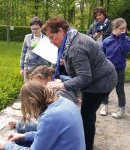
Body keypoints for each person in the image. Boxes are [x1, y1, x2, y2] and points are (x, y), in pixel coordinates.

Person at [42, 16, 117, 150]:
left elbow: (84, 78)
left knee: (86, 116)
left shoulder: (75, 47)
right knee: (89, 113)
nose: (51, 41)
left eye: (51, 37)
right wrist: (66, 63)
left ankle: (87, 146)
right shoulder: (72, 38)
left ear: (61, 31)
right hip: (100, 75)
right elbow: (80, 62)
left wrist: (61, 85)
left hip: (101, 82)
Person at [0, 81, 86, 150]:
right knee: (20, 141)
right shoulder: (65, 101)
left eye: (30, 108)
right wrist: (24, 136)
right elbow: (47, 134)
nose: (32, 112)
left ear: (32, 100)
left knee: (13, 145)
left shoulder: (50, 116)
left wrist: (6, 146)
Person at [9, 65, 79, 133]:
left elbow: (44, 126)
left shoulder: (60, 95)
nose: (35, 87)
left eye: (36, 83)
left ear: (48, 78)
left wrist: (18, 124)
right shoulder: (57, 89)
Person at [99, 18, 130, 118]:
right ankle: (104, 106)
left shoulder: (126, 39)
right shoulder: (107, 40)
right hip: (108, 69)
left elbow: (125, 49)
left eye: (125, 28)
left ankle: (121, 110)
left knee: (120, 89)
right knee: (106, 87)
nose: (123, 31)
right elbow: (102, 55)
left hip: (120, 68)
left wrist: (122, 36)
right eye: (121, 28)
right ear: (115, 28)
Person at [20, 16, 50, 81]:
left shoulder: (47, 39)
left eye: (37, 29)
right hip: (28, 68)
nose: (34, 31)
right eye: (32, 29)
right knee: (29, 88)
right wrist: (21, 68)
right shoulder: (27, 37)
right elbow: (23, 52)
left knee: (40, 88)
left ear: (41, 27)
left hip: (42, 68)